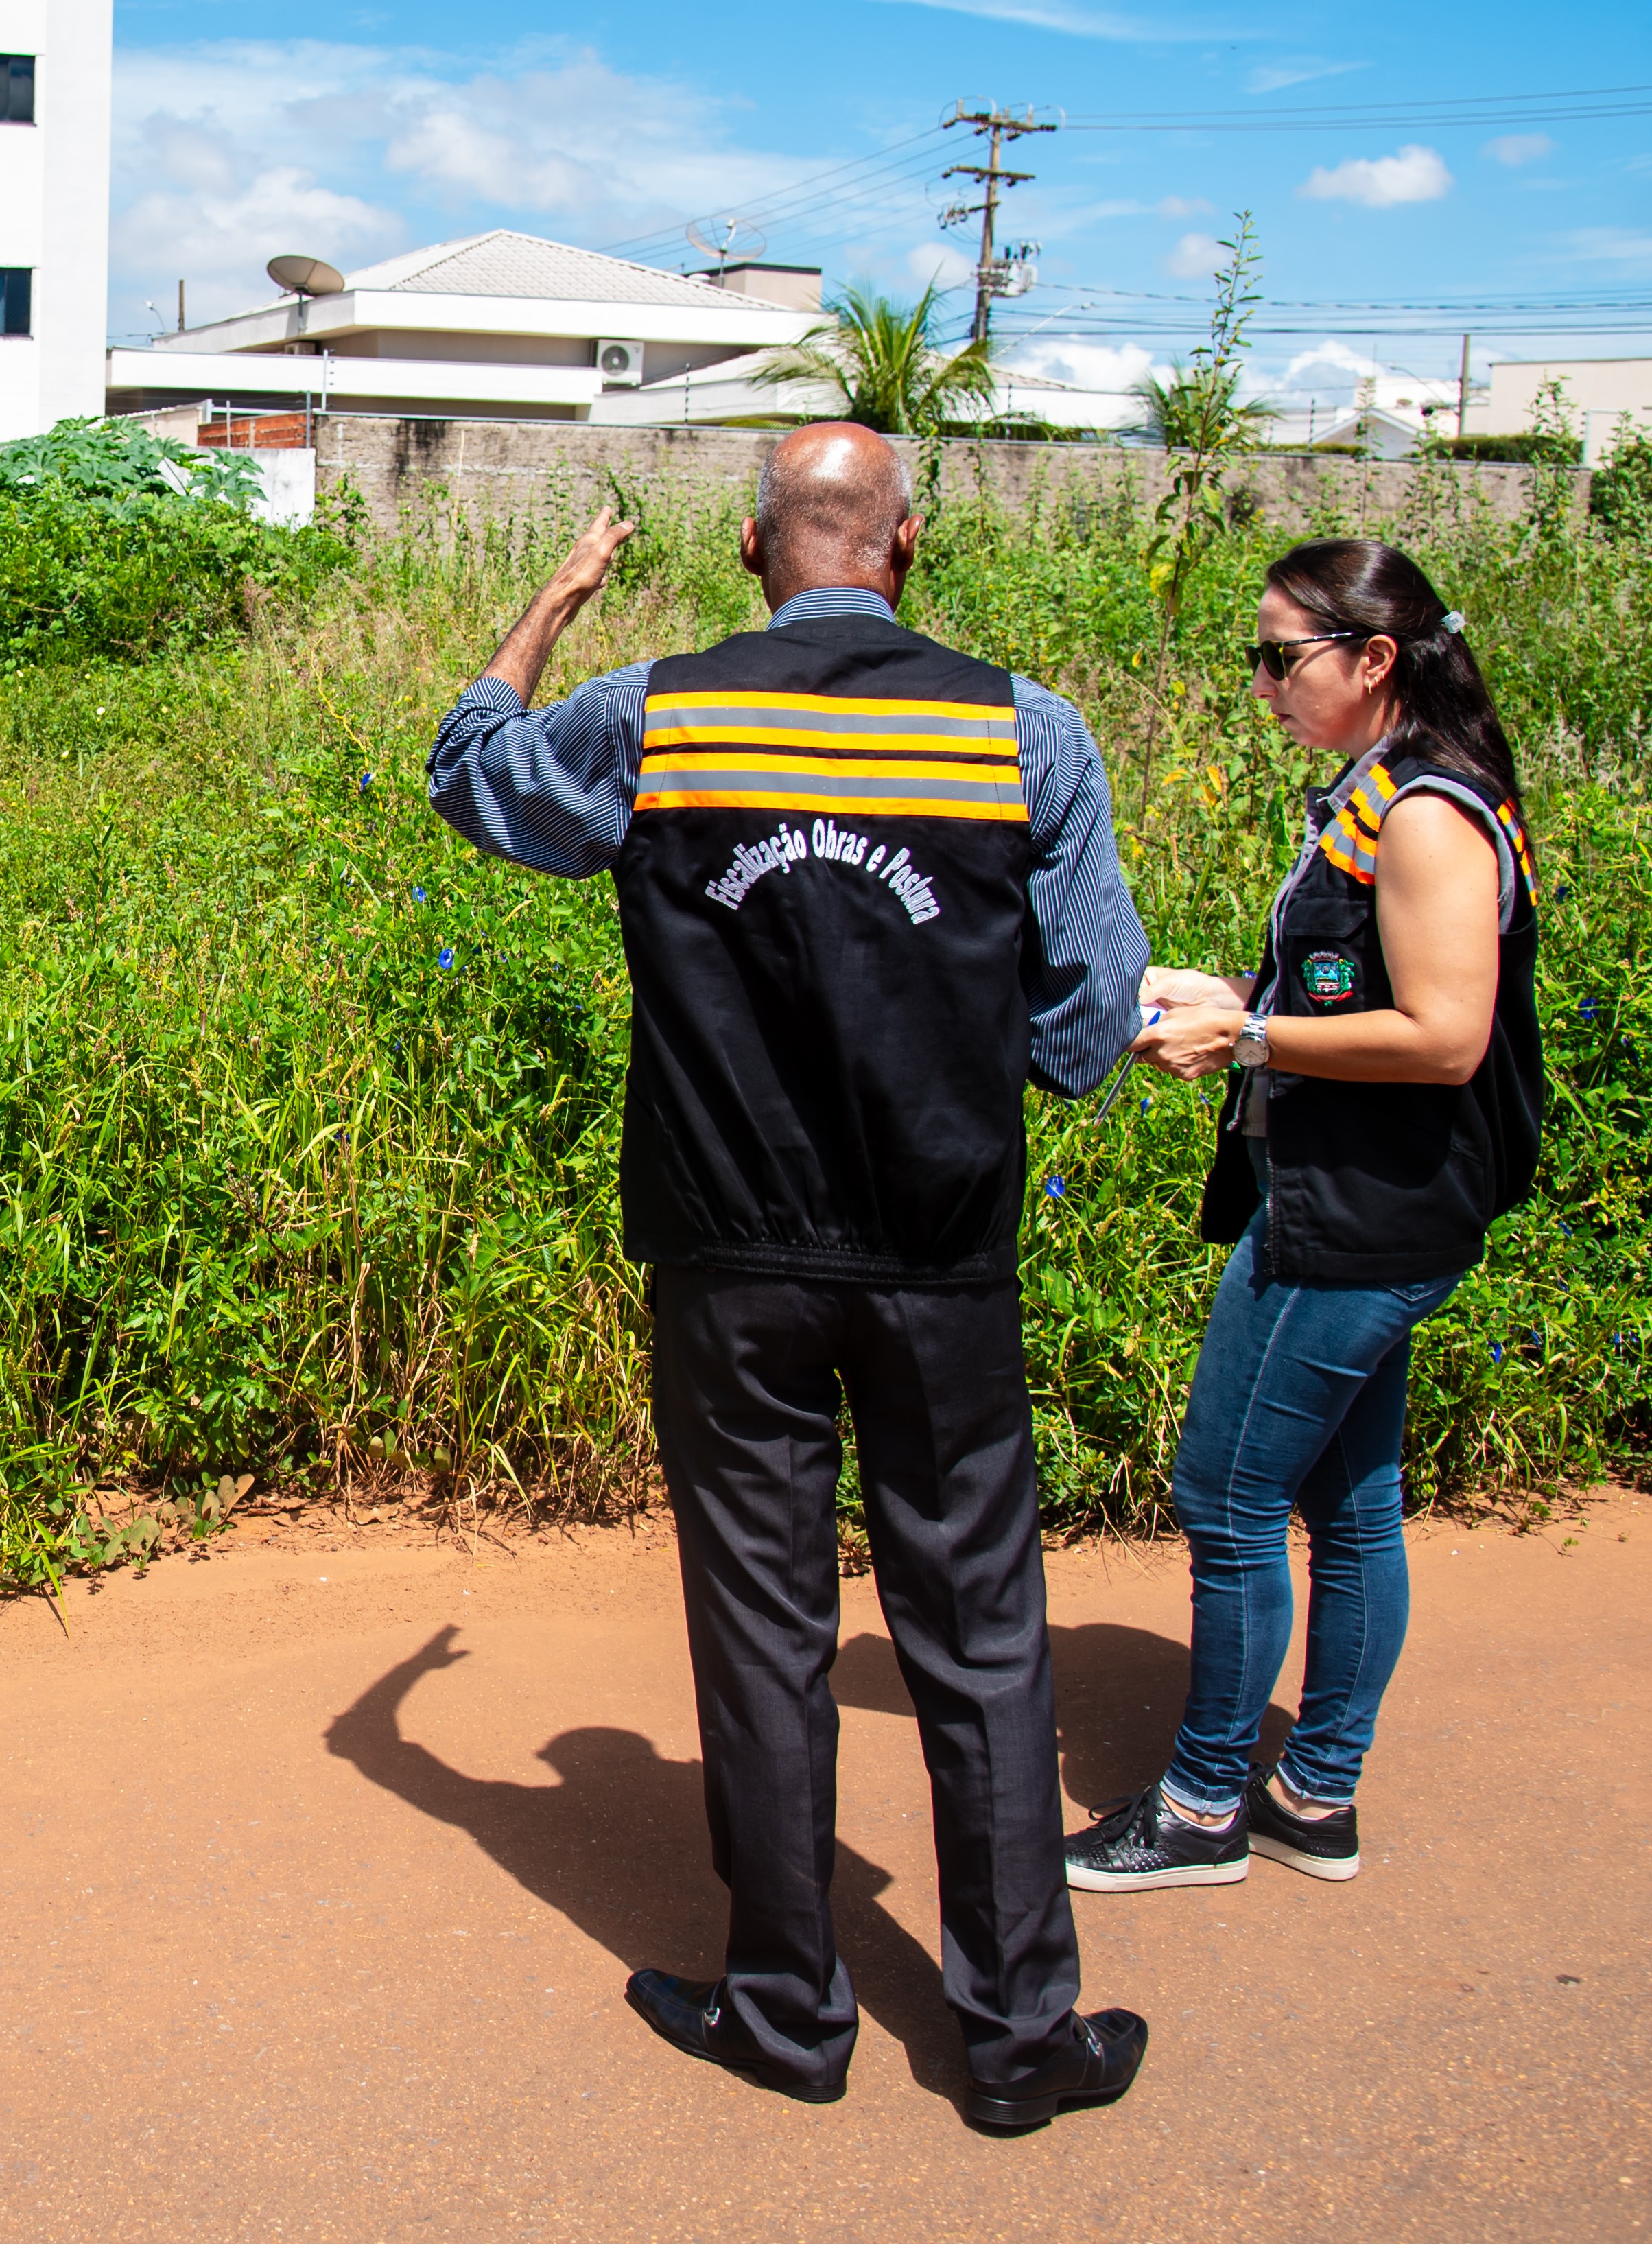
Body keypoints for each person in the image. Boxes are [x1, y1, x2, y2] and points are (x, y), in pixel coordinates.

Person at [424, 423, 1153, 2133]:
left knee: (760, 1627)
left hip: (726, 1256)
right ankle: (1017, 2038)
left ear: (757, 552)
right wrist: (974, 1078)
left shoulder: (659, 715)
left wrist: (550, 601)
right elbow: (1087, 1013)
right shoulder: (1019, 733)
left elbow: (474, 771)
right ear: (904, 549)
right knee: (977, 1629)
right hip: (938, 1256)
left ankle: (783, 2011)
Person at [1064, 539, 1545, 1894]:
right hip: (1364, 1196)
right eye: (1257, 657)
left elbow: (1444, 1034)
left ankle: (1205, 1804)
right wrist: (1229, 998)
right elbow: (1360, 994)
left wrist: (1252, 1037)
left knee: (1224, 1493)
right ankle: (1314, 1790)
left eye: (1283, 656)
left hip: (1359, 1217)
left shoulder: (1425, 813)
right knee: (1352, 1503)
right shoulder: (1379, 791)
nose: (1263, 681)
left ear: (1371, 659)